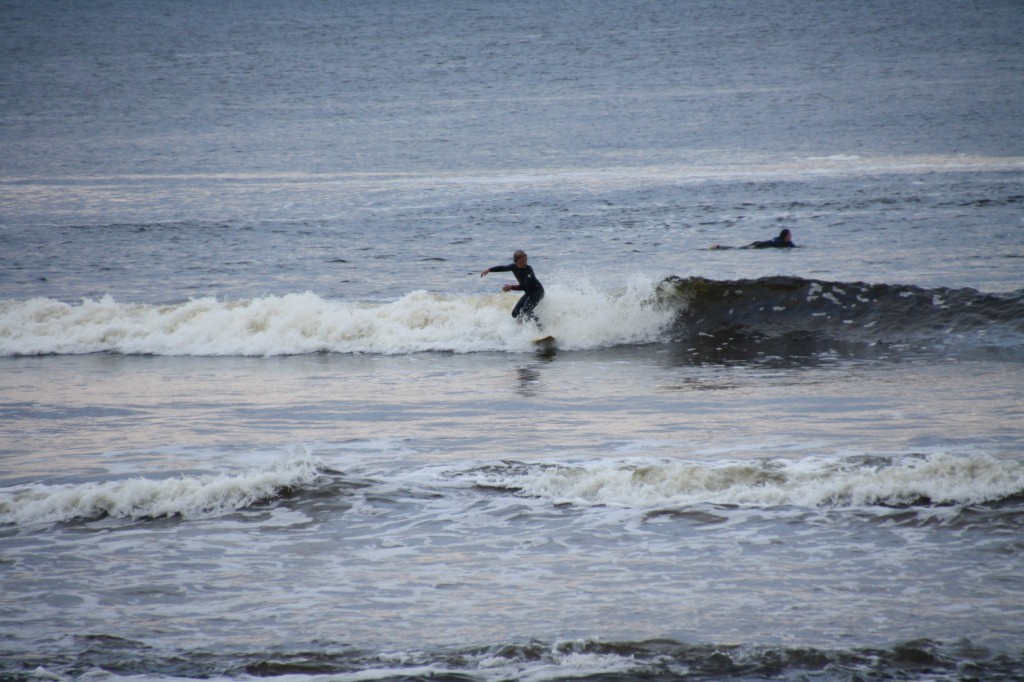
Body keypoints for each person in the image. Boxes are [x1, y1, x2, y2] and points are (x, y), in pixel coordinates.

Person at [481, 250, 545, 325]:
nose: (525, 262)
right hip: (529, 293)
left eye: (526, 260)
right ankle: (522, 329)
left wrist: (511, 287)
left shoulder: (529, 270)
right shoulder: (514, 267)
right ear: (516, 261)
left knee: (527, 311)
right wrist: (489, 270)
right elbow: (503, 268)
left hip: (537, 292)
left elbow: (524, 286)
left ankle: (541, 329)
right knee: (515, 313)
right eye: (522, 261)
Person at [711, 228, 796, 250]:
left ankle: (718, 247)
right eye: (790, 235)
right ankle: (719, 247)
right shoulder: (779, 241)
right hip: (758, 245)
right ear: (786, 236)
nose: (791, 236)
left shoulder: (787, 242)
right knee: (739, 248)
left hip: (759, 243)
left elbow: (794, 247)